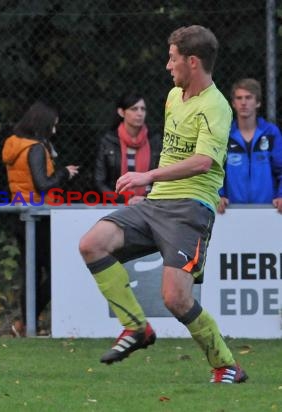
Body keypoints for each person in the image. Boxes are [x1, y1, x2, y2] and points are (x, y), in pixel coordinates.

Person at [78, 25, 248, 383]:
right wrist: (151, 182)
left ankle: (226, 364)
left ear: (192, 61)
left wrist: (148, 176)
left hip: (190, 209)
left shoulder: (216, 106)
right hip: (155, 204)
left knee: (175, 298)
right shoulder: (174, 97)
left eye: (172, 59)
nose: (168, 66)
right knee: (92, 244)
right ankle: (136, 327)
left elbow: (203, 161)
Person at [2, 101, 79, 336]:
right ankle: (27, 322)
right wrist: (64, 172)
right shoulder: (35, 148)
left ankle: (27, 324)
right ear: (42, 125)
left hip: (21, 214)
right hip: (39, 216)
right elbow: (42, 184)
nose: (54, 131)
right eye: (52, 126)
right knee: (56, 272)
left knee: (32, 272)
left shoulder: (13, 144)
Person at [217, 78, 282, 214]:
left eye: (248, 97)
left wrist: (280, 195)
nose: (244, 103)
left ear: (258, 102)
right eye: (239, 98)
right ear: (233, 103)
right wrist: (219, 195)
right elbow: (216, 171)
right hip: (231, 212)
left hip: (269, 211)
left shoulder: (271, 133)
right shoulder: (225, 135)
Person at [94, 92, 161, 204]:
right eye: (134, 109)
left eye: (143, 109)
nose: (140, 113)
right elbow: (99, 181)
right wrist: (124, 200)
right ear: (121, 112)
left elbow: (163, 176)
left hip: (149, 204)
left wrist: (147, 199)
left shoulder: (154, 140)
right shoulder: (108, 141)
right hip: (117, 204)